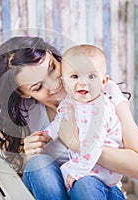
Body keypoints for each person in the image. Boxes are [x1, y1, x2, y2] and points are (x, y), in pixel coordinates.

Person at [0, 36, 138, 200]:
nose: (55, 84)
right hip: (57, 190)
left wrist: (78, 145)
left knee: (85, 184)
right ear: (24, 94)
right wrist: (28, 156)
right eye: (38, 87)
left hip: (99, 190)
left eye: (52, 68)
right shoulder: (28, 113)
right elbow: (32, 184)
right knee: (38, 164)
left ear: (51, 54)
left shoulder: (102, 92)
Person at [43, 44, 123, 192]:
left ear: (103, 82)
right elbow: (59, 121)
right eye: (74, 76)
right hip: (84, 162)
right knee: (53, 172)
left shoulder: (100, 109)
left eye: (92, 76)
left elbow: (93, 145)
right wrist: (47, 135)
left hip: (103, 169)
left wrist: (78, 170)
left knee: (73, 177)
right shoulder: (70, 102)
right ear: (64, 81)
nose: (83, 82)